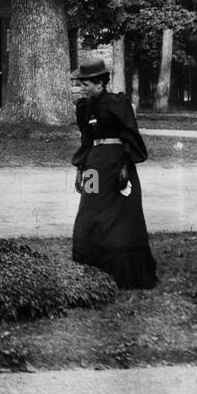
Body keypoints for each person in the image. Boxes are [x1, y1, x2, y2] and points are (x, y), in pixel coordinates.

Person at [70, 58, 158, 289]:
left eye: (86, 84)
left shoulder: (117, 103)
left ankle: (121, 274)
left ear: (100, 83)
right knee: (87, 210)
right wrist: (81, 168)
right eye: (81, 84)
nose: (82, 88)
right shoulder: (84, 106)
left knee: (120, 216)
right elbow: (87, 139)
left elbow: (130, 135)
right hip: (93, 163)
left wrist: (125, 167)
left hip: (117, 163)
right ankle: (91, 268)